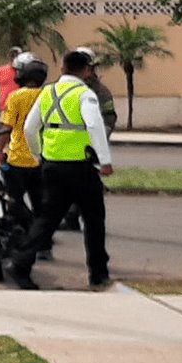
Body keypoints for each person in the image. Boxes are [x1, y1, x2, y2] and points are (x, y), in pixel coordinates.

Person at [8, 50, 115, 291]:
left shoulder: (47, 92)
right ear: (86, 70)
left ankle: (20, 264)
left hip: (52, 166)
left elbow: (29, 128)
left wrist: (38, 154)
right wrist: (105, 161)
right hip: (81, 167)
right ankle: (98, 273)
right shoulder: (84, 95)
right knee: (94, 220)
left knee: (47, 220)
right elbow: (95, 127)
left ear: (62, 69)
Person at [0, 53, 52, 259]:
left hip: (18, 159)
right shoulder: (48, 95)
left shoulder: (16, 97)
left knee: (14, 201)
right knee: (41, 204)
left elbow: (6, 128)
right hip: (42, 158)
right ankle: (44, 245)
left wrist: (0, 152)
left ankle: (23, 236)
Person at [60, 45, 118, 231]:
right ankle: (70, 217)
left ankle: (80, 218)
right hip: (67, 145)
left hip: (90, 148)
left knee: (87, 185)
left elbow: (109, 117)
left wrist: (100, 140)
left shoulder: (101, 92)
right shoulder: (64, 88)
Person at [0, 47, 23, 130]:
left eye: (17, 56)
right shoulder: (1, 70)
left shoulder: (23, 71)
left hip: (18, 109)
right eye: (13, 56)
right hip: (3, 108)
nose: (14, 58)